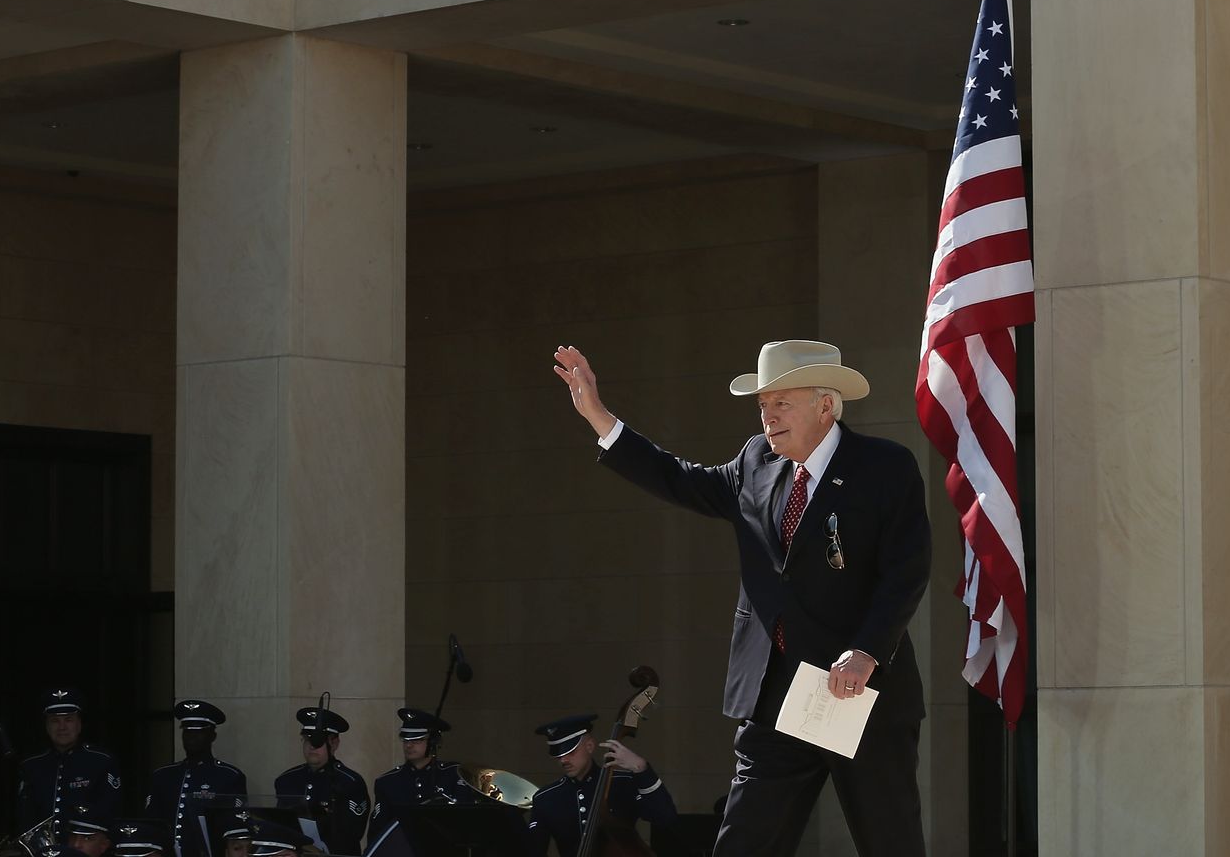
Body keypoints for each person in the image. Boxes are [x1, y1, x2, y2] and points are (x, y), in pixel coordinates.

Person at [552, 340, 930, 857]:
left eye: (782, 403)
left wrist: (867, 649)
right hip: (775, 696)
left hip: (858, 698)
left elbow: (906, 571)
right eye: (762, 404)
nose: (767, 417)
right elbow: (678, 479)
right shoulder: (755, 461)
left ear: (826, 405)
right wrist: (600, 417)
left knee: (890, 842)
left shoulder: (884, 466)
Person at [525, 714, 677, 857]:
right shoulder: (546, 798)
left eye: (571, 752)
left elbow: (665, 818)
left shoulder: (622, 783)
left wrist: (642, 769)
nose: (563, 760)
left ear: (590, 746)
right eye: (559, 754)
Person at [145, 700, 248, 857]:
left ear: (212, 736)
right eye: (187, 732)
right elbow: (152, 821)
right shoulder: (163, 775)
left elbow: (234, 826)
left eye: (198, 732)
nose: (191, 738)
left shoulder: (229, 776)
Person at [366, 708, 477, 844]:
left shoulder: (454, 775)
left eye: (417, 740)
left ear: (432, 742)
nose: (409, 745)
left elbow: (467, 825)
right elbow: (378, 833)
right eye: (406, 740)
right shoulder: (388, 782)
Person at [17, 688, 123, 828]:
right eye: (55, 721)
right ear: (46, 726)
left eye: (69, 720)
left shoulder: (102, 761)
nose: (62, 727)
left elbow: (111, 813)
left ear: (79, 724)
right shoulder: (31, 765)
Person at [273, 707, 369, 854]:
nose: (312, 746)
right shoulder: (286, 780)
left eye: (318, 741)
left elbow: (352, 834)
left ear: (334, 744)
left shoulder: (349, 783)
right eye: (307, 739)